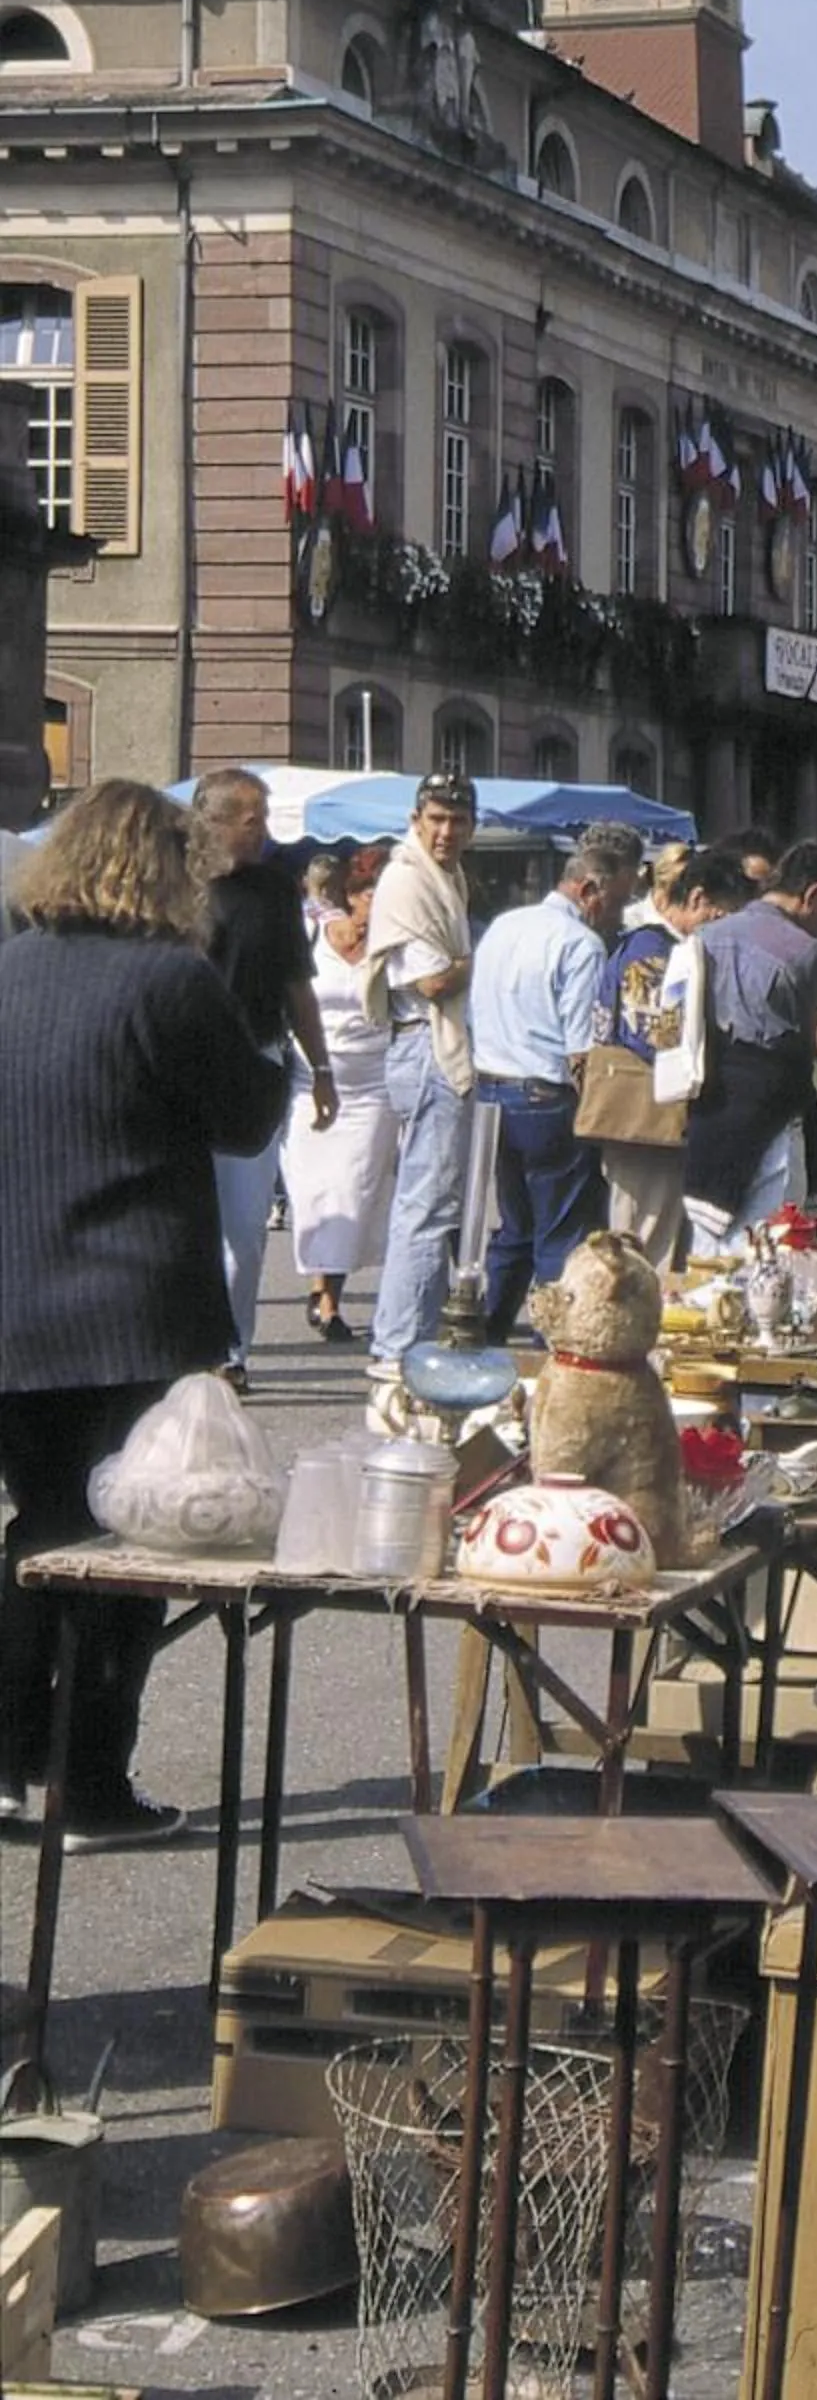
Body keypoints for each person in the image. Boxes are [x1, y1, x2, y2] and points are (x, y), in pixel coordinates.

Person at [0, 782, 288, 1846]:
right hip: (129, 1305)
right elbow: (246, 1121)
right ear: (168, 867)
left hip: (13, 1303)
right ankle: (92, 1784)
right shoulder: (171, 978)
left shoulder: (6, 966)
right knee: (130, 1546)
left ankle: (10, 1759)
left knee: (40, 1530)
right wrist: (272, 1057)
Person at [469, 822, 645, 1337]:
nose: (616, 915)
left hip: (493, 1090)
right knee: (562, 1233)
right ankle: (562, 1341)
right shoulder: (581, 944)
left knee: (515, 1228)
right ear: (589, 889)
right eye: (615, 902)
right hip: (546, 1096)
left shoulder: (504, 925)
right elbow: (579, 1050)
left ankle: (489, 1330)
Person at [195, 767, 337, 1385]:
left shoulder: (276, 892)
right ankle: (181, 1355)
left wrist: (323, 1068)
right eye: (254, 819)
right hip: (176, 1073)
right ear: (215, 821)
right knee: (179, 1227)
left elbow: (297, 988)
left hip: (254, 1067)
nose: (264, 831)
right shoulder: (170, 885)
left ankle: (231, 1353)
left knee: (246, 1231)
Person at [362, 773, 479, 1388]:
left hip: (433, 1046)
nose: (445, 831)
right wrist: (473, 960)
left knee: (439, 1204)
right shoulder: (406, 876)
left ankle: (413, 1337)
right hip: (424, 1045)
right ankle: (397, 1347)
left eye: (457, 821)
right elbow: (433, 981)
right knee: (427, 1207)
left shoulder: (449, 877)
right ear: (416, 819)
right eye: (436, 818)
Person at [684, 840, 817, 1252]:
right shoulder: (809, 954)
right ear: (812, 896)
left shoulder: (706, 936)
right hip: (776, 1116)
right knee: (769, 1246)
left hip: (707, 1110)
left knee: (708, 1250)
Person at [587, 846, 752, 1269]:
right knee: (642, 1245)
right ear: (697, 899)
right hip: (644, 1119)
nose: (724, 929)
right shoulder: (651, 953)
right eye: (722, 915)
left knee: (658, 1240)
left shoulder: (667, 949)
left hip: (656, 1119)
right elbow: (654, 1036)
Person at [285, 845, 397, 1341]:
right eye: (372, 893)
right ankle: (317, 1278)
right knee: (312, 1193)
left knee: (353, 1190)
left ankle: (329, 1297)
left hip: (372, 1081)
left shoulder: (397, 946)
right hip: (308, 1079)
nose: (379, 903)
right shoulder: (312, 936)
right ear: (352, 896)